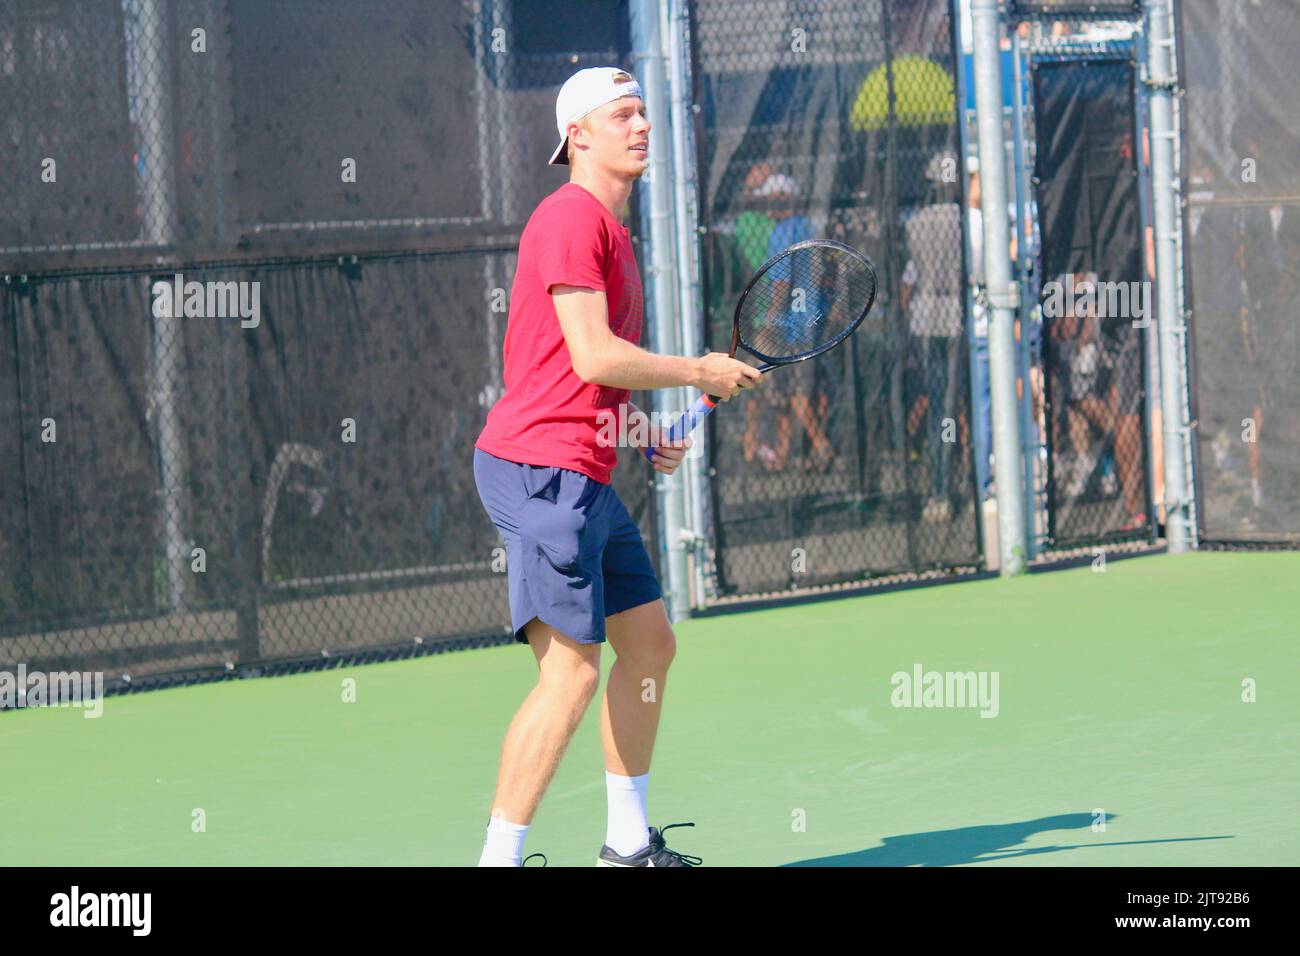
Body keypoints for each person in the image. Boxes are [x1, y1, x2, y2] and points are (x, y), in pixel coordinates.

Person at [472, 67, 759, 867]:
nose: (641, 126)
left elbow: (589, 377)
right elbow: (595, 350)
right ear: (578, 137)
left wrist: (642, 431)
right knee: (569, 676)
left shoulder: (614, 235)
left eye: (644, 114)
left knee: (650, 646)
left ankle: (626, 845)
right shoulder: (569, 217)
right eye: (622, 114)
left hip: (586, 470)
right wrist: (698, 373)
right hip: (540, 469)